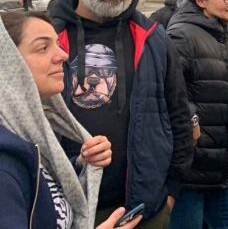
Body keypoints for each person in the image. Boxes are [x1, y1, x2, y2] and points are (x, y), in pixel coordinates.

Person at [50, 0, 193, 227]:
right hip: (59, 206)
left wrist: (170, 193)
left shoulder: (153, 37)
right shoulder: (46, 35)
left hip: (141, 207)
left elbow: (178, 115)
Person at [0, 12, 141, 229]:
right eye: (42, 48)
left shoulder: (29, 138)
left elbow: (40, 192)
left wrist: (81, 164)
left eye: (57, 44)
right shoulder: (5, 167)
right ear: (6, 64)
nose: (63, 56)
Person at [166, 0, 228, 228]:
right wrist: (192, 117)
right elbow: (170, 90)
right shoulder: (181, 35)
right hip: (192, 170)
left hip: (221, 168)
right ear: (201, 0)